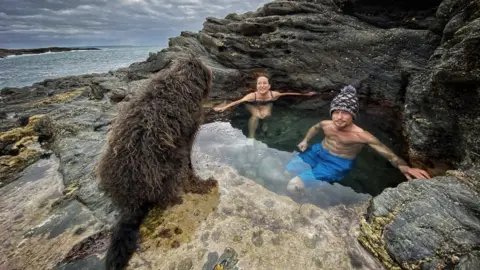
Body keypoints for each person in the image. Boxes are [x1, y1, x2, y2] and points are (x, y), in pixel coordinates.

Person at [284, 85, 431, 194]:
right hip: (318, 151)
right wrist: (305, 141)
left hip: (337, 163)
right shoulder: (327, 124)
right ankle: (310, 184)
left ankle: (306, 200)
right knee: (286, 172)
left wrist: (403, 166)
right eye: (336, 112)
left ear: (353, 115)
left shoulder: (361, 136)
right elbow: (315, 128)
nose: (339, 117)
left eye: (345, 113)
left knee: (293, 185)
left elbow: (388, 153)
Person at [214, 73, 316, 139]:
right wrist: (223, 107)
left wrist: (304, 94)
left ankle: (264, 123)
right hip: (252, 104)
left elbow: (288, 93)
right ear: (256, 86)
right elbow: (238, 101)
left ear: (269, 86)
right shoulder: (251, 96)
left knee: (265, 115)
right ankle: (251, 137)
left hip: (267, 102)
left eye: (264, 83)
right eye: (259, 83)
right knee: (256, 116)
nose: (262, 85)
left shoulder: (274, 94)